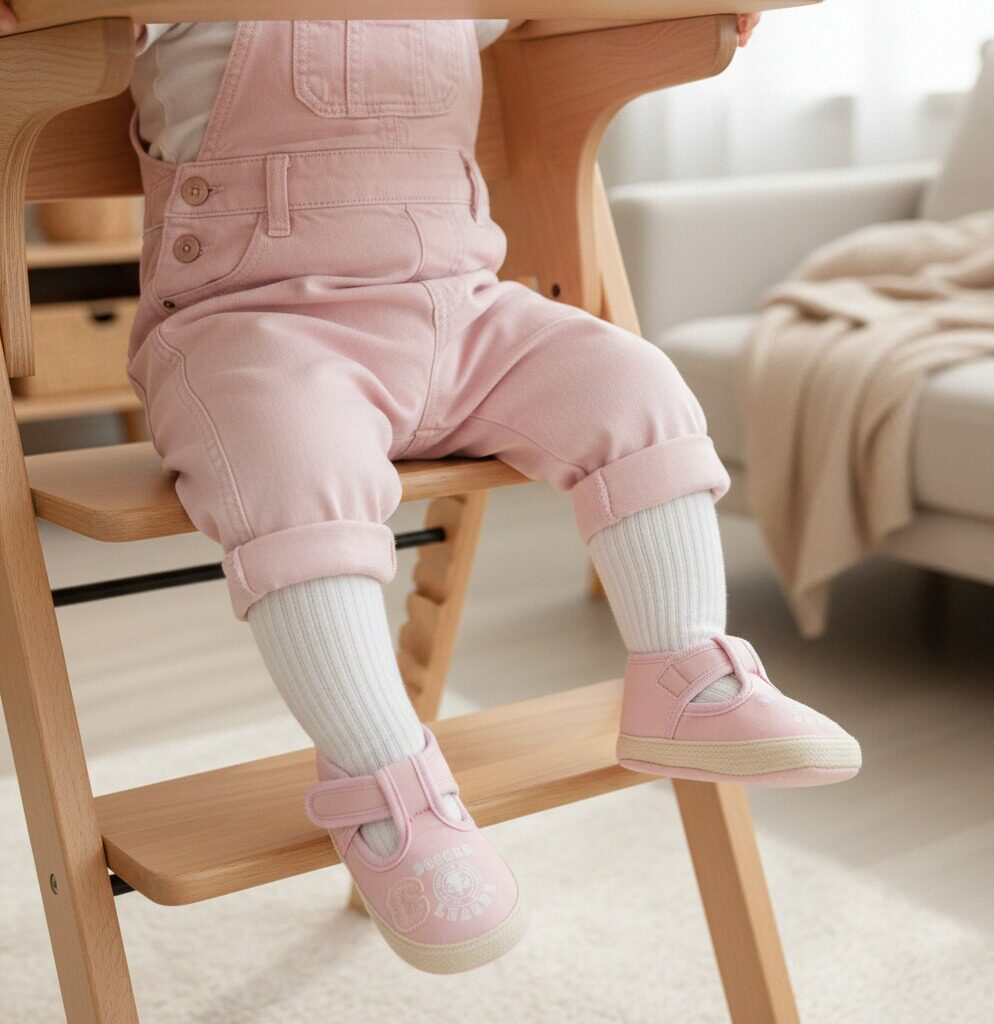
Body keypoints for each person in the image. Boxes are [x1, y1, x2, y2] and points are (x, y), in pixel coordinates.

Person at [3, 7, 858, 975]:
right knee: (295, 467)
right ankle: (384, 790)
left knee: (632, 384)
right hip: (257, 323)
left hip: (466, 309)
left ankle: (686, 677)